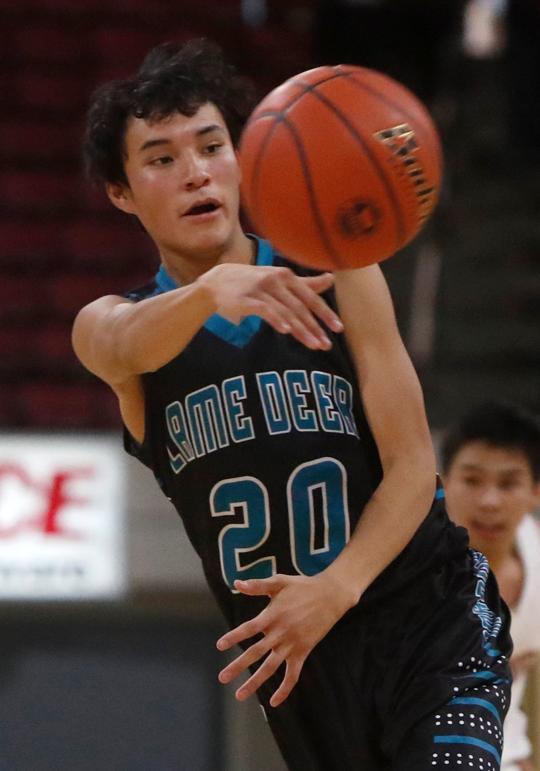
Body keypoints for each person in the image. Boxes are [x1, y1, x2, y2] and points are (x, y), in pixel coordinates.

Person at [73, 38, 512, 770]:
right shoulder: (118, 326)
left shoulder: (336, 266)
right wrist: (210, 290)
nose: (196, 173)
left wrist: (336, 587)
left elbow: (412, 466)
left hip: (428, 620)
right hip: (303, 668)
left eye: (212, 146)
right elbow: (114, 341)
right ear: (122, 191)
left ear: (244, 155)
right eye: (161, 159)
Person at [442, 402, 540, 771]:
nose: (489, 501)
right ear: (444, 484)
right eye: (472, 480)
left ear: (535, 491)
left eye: (508, 483)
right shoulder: (408, 575)